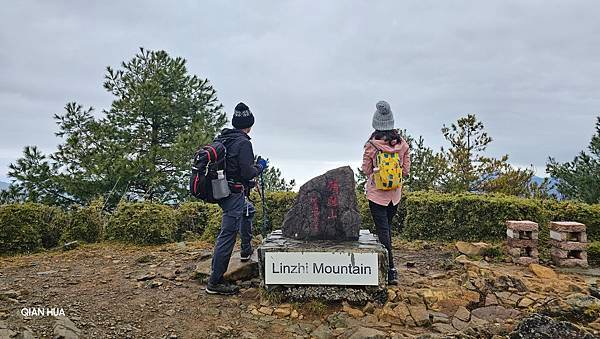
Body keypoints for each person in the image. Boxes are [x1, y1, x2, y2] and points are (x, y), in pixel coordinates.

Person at [205, 102, 268, 295]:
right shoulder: (244, 143)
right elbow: (248, 172)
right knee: (227, 235)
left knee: (248, 211)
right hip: (233, 194)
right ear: (249, 124)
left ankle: (246, 250)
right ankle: (215, 282)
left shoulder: (224, 139)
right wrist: (260, 167)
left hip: (222, 191)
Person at [361, 100, 410, 285]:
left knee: (383, 231)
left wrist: (375, 170)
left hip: (376, 195)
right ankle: (387, 265)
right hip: (394, 196)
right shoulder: (403, 144)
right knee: (386, 229)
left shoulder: (372, 145)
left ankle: (390, 270)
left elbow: (365, 170)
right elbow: (405, 171)